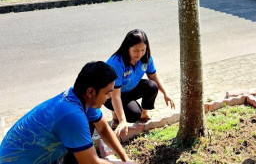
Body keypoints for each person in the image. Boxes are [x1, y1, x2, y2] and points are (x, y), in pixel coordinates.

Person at [0, 61, 134, 164]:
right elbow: (91, 162)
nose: (110, 97)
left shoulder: (79, 97)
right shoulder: (72, 115)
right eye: (107, 93)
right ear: (90, 91)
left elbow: (103, 128)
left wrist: (125, 159)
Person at [104, 29, 175, 137]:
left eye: (143, 50)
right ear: (127, 48)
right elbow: (115, 95)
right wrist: (123, 120)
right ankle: (115, 116)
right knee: (133, 115)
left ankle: (144, 114)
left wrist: (166, 93)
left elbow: (154, 76)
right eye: (136, 50)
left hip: (129, 88)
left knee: (152, 86)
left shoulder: (146, 57)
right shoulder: (117, 62)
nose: (140, 54)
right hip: (111, 95)